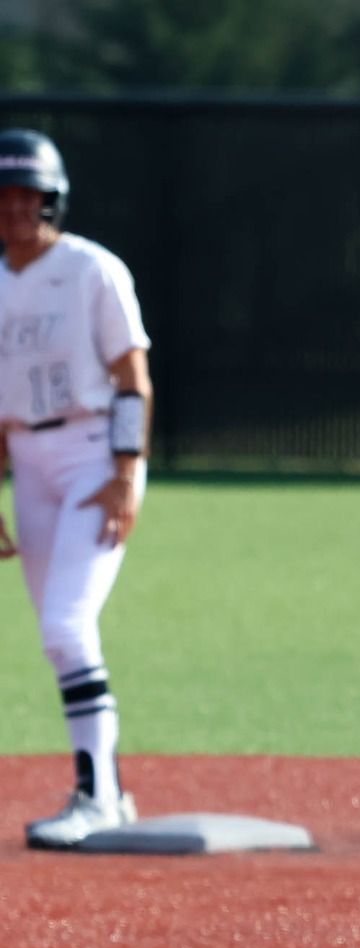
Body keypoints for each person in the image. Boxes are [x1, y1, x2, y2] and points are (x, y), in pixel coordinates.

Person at [0, 129, 153, 848]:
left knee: (67, 625)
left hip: (94, 453)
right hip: (28, 460)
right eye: (5, 193)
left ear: (53, 197)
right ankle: (105, 792)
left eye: (29, 193)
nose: (16, 207)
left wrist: (126, 475)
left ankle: (102, 794)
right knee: (59, 637)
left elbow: (131, 379)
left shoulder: (93, 269)